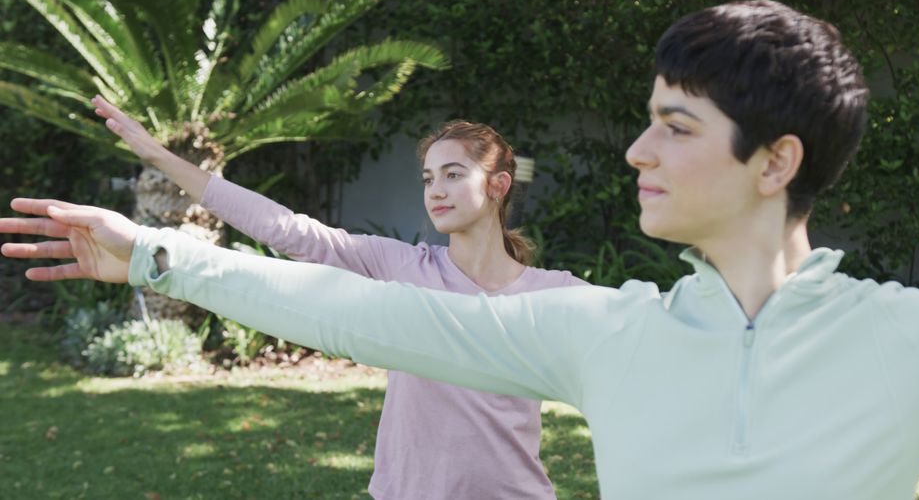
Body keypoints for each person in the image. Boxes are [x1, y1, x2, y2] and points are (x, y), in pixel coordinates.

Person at [3, 0, 919, 500]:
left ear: (775, 160)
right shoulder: (601, 333)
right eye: (646, 117)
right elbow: (359, 309)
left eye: (677, 125)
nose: (636, 148)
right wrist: (156, 256)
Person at [79, 98, 588, 500]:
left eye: (454, 174)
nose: (435, 189)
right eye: (429, 178)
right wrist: (160, 158)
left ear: (499, 185)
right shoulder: (401, 267)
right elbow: (288, 231)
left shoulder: (555, 293)